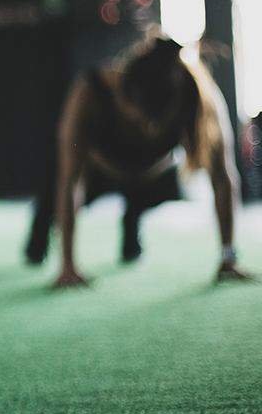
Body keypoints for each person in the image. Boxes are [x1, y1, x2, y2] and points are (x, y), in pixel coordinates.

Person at [51, 35, 252, 288]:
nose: (144, 127)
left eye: (153, 123)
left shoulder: (197, 97)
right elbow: (70, 180)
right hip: (99, 173)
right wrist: (68, 266)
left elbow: (222, 177)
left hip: (154, 176)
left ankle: (132, 216)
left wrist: (228, 257)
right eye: (138, 117)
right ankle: (41, 236)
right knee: (51, 201)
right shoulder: (90, 91)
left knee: (150, 198)